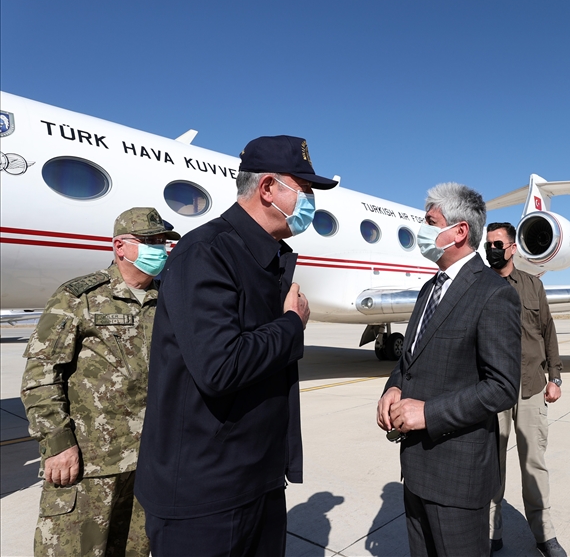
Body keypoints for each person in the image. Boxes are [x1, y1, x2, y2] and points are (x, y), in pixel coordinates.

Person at [134, 136, 337, 556]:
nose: (311, 202)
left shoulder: (264, 255)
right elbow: (220, 367)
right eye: (305, 190)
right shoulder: (207, 252)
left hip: (255, 482)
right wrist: (291, 325)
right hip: (206, 498)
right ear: (267, 188)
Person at [21, 207, 180, 557]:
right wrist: (58, 443)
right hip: (90, 464)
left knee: (136, 550)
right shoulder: (80, 297)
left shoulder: (170, 299)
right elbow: (41, 375)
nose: (160, 249)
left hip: (151, 464)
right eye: (150, 241)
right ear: (120, 247)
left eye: (163, 242)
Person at [376, 182, 522, 557]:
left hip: (458, 477)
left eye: (430, 221)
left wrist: (428, 412)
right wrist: (393, 387)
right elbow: (410, 357)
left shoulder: (493, 292)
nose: (422, 230)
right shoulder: (429, 289)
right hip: (417, 469)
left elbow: (502, 387)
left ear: (459, 231)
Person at [484, 222, 567, 557]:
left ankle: (544, 535)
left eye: (497, 244)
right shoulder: (479, 286)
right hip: (491, 390)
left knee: (534, 464)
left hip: (531, 387)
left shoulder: (533, 286)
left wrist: (555, 377)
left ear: (513, 247)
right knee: (491, 466)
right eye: (488, 244)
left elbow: (548, 331)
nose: (492, 250)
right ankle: (491, 533)